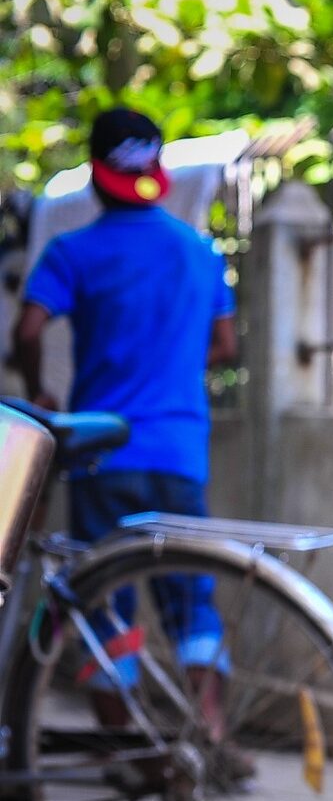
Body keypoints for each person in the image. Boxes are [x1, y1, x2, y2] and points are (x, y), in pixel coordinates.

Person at [8, 107, 238, 703]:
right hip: (181, 453)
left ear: (93, 172)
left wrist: (39, 390)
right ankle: (209, 734)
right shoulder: (199, 251)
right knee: (191, 597)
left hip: (103, 455)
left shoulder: (73, 251)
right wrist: (175, 368)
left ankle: (119, 748)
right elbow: (226, 344)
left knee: (104, 602)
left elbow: (28, 330)